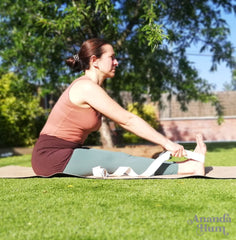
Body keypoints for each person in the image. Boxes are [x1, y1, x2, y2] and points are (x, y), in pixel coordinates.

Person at [31, 38, 206, 177]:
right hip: (51, 157)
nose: (116, 62)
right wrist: (167, 143)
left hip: (67, 152)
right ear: (95, 61)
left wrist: (162, 143)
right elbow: (127, 120)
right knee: (117, 160)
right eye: (112, 57)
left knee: (115, 159)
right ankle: (189, 167)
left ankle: (181, 165)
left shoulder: (92, 87)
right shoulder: (85, 87)